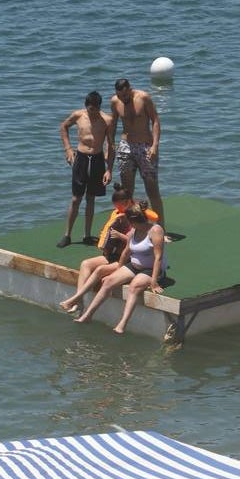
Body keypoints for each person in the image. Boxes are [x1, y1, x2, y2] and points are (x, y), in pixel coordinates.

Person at [74, 203, 168, 334]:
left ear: (133, 220)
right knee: (108, 281)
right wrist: (118, 269)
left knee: (134, 286)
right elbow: (126, 252)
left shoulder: (156, 231)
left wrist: (154, 281)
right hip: (134, 266)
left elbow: (158, 257)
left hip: (151, 269)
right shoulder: (134, 230)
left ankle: (122, 324)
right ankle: (88, 315)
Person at [57, 91, 115, 248]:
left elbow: (110, 145)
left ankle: (87, 235)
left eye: (96, 110)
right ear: (86, 107)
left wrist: (109, 169)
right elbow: (63, 127)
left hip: (97, 160)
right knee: (76, 199)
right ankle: (67, 235)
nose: (93, 113)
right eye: (90, 110)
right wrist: (68, 149)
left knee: (91, 198)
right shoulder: (78, 115)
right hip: (81, 159)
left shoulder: (107, 120)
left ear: (99, 107)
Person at [110, 77, 166, 233]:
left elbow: (155, 120)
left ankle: (161, 229)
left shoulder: (143, 98)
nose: (124, 99)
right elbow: (113, 123)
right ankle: (130, 228)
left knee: (152, 188)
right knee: (126, 191)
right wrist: (110, 144)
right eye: (121, 96)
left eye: (126, 96)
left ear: (130, 89)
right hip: (125, 146)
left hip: (145, 146)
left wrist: (155, 145)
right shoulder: (115, 102)